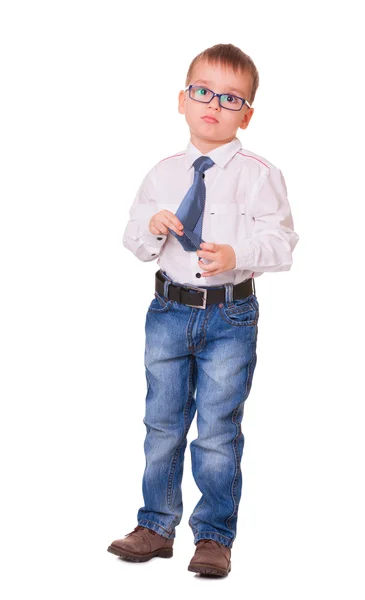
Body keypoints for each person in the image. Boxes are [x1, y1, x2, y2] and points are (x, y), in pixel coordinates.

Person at [107, 43, 299, 577]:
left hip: (229, 318)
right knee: (161, 422)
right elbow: (133, 238)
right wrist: (150, 229)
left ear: (248, 114)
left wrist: (239, 255)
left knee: (217, 429)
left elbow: (282, 242)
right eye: (203, 92)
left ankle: (214, 535)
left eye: (231, 98)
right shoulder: (162, 172)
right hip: (168, 312)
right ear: (183, 100)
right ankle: (155, 524)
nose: (214, 103)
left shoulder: (260, 174)